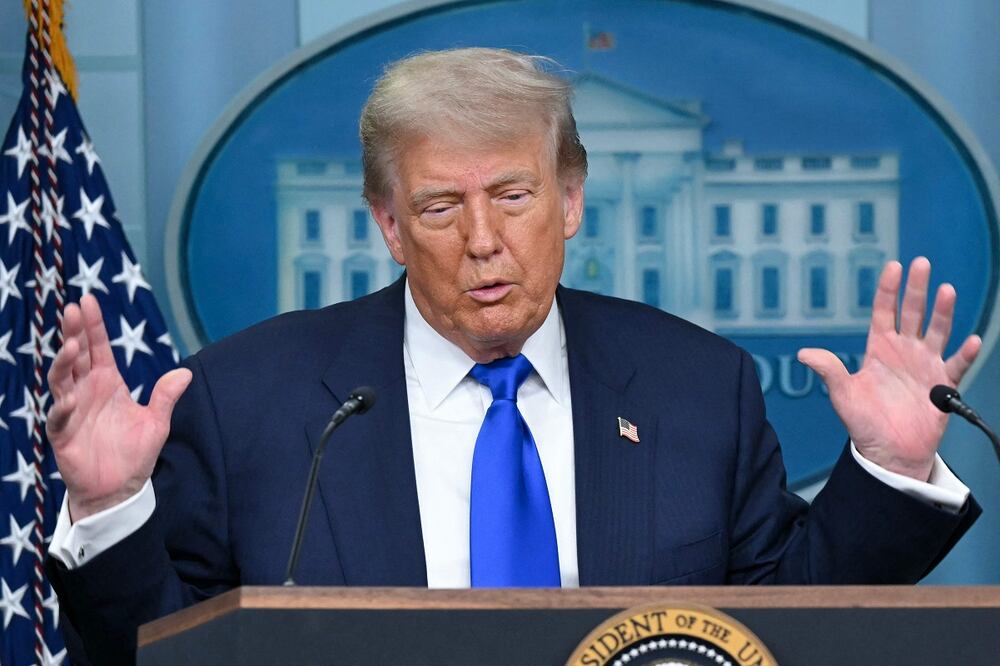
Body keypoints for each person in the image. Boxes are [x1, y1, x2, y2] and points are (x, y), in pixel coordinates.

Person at [45, 48, 980, 664]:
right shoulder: (251, 400)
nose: (482, 239)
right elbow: (157, 652)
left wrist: (892, 472)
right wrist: (109, 510)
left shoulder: (698, 388)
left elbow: (788, 627)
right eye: (441, 207)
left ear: (570, 202)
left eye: (514, 196)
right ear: (390, 225)